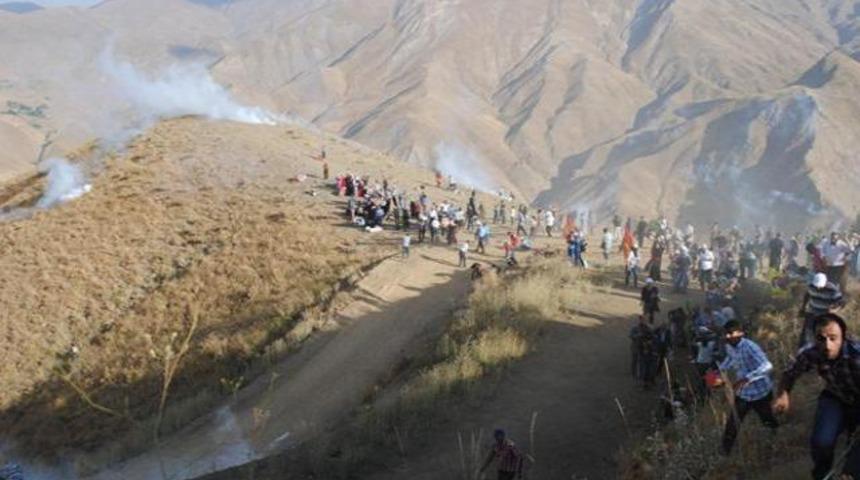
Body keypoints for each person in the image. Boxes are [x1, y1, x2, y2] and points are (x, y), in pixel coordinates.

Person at [774, 314, 860, 480]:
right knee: (822, 442)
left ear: (843, 336)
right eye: (821, 339)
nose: (827, 345)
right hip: (836, 397)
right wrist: (783, 394)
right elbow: (789, 374)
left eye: (833, 338)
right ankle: (822, 474)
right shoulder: (811, 353)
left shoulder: (857, 355)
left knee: (854, 459)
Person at [719, 320, 778, 455]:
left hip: (760, 393)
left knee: (767, 420)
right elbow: (730, 359)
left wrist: (747, 378)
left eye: (730, 334)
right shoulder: (729, 346)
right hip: (744, 393)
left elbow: (768, 366)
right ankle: (724, 452)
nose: (727, 337)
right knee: (733, 422)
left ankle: (775, 442)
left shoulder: (750, 347)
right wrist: (720, 371)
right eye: (725, 334)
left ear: (740, 333)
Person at [799, 273, 844, 348]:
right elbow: (807, 294)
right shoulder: (811, 286)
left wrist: (834, 310)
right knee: (807, 333)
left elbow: (841, 303)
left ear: (825, 283)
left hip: (824, 315)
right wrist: (803, 308)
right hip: (812, 312)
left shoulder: (832, 290)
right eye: (816, 286)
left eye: (820, 287)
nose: (818, 288)